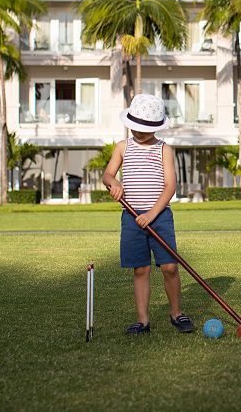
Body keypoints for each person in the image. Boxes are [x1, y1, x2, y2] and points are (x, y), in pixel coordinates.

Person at [103, 93, 195, 335]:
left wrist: (153, 214)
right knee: (140, 269)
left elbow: (170, 186)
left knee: (169, 267)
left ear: (156, 127)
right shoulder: (123, 147)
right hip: (132, 218)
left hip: (160, 216)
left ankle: (177, 314)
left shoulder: (164, 150)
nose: (139, 132)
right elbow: (107, 175)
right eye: (136, 127)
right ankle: (143, 321)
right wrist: (114, 183)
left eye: (145, 128)